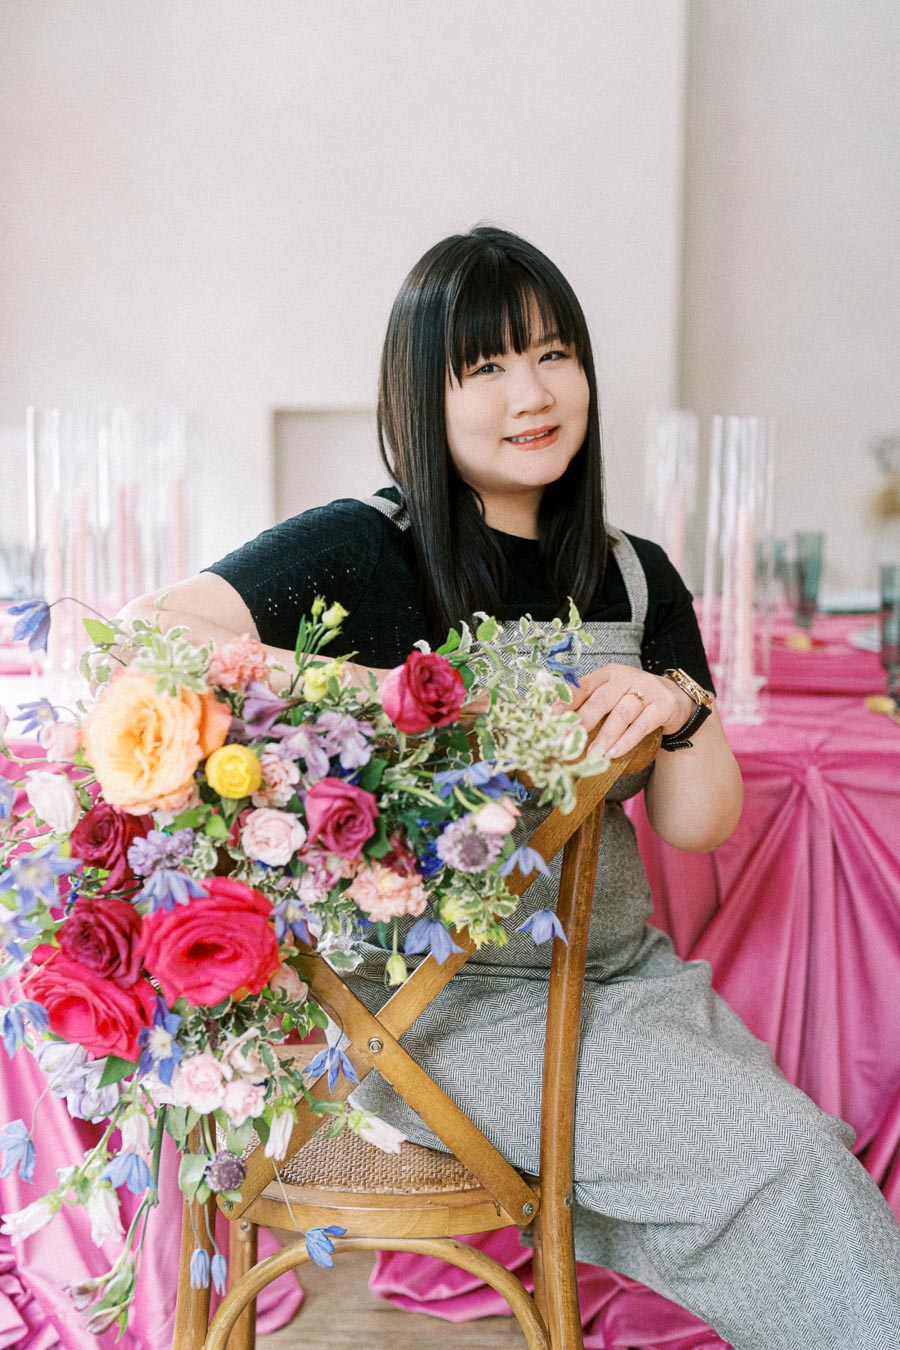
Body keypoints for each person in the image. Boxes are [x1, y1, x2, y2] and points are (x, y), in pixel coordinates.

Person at [121, 226, 900, 1348]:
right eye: (484, 367)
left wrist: (677, 705)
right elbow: (153, 634)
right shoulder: (366, 546)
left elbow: (698, 824)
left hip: (626, 986)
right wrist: (399, 695)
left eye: (553, 355)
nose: (530, 394)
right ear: (421, 397)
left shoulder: (634, 572)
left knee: (806, 1158)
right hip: (431, 1010)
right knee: (788, 1169)